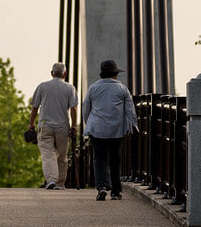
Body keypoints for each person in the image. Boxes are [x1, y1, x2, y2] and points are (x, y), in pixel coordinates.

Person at [82, 59, 137, 201]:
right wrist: (132, 127)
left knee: (99, 159)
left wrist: (89, 124)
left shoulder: (93, 88)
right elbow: (130, 111)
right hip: (116, 130)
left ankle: (101, 187)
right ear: (115, 74)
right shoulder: (122, 89)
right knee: (115, 160)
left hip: (97, 129)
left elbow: (86, 109)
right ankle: (116, 191)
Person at [27, 62, 78, 190]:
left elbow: (34, 107)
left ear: (51, 73)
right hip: (63, 127)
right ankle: (60, 183)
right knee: (62, 156)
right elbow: (73, 108)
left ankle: (51, 180)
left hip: (45, 126)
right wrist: (73, 125)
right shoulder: (69, 88)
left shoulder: (42, 87)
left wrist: (31, 123)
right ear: (65, 74)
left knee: (47, 154)